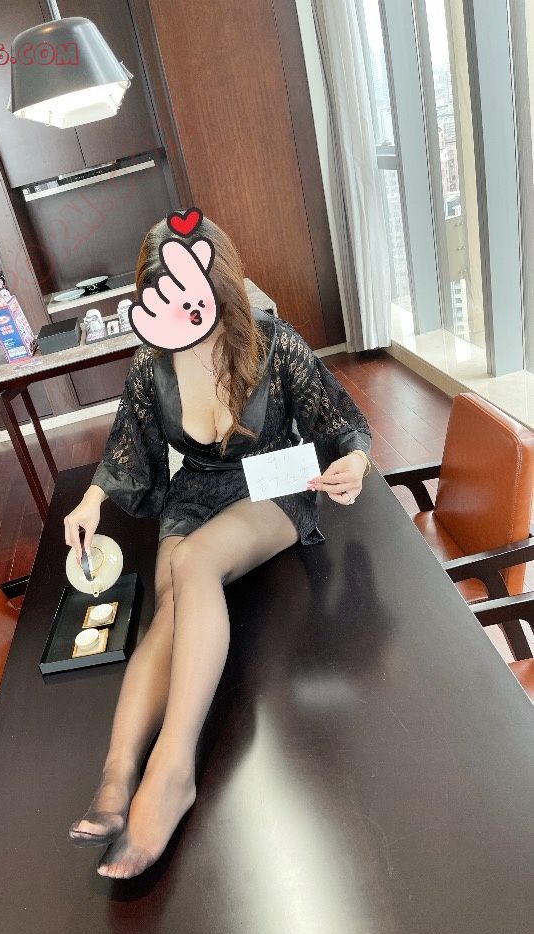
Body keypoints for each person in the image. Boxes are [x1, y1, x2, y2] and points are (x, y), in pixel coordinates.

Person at [63, 215, 372, 879]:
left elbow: (341, 422)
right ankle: (117, 774)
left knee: (192, 560)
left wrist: (354, 462)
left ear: (218, 281)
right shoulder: (154, 360)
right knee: (171, 608)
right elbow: (128, 442)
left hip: (273, 486)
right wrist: (90, 500)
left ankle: (173, 769)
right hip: (198, 492)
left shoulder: (271, 341)